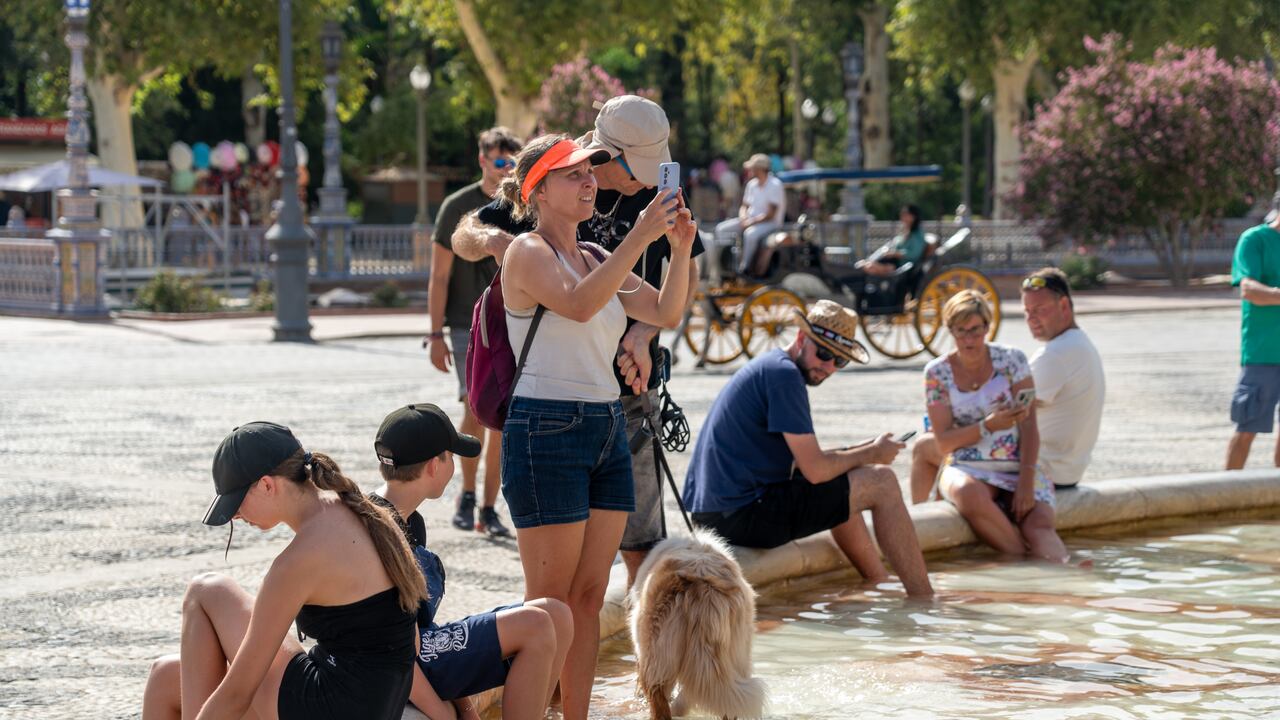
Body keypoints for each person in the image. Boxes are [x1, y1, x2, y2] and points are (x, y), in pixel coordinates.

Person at [452, 96, 705, 589]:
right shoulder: (559, 177)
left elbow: (682, 280)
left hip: (628, 393)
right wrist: (496, 244)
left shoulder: (647, 198)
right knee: (559, 580)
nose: (647, 181)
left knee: (642, 543)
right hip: (553, 404)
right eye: (637, 168)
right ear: (605, 153)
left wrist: (644, 331)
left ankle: (640, 662)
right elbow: (466, 233)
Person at [488, 132, 694, 720]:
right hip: (544, 425)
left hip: (607, 424)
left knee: (585, 597)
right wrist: (641, 235)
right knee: (546, 606)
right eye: (574, 173)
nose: (589, 181)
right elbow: (577, 305)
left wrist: (679, 249)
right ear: (539, 192)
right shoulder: (526, 252)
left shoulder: (599, 257)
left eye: (591, 171)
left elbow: (664, 312)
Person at [141, 422, 425, 720]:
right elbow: (411, 644)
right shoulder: (366, 512)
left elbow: (238, 694)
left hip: (331, 707)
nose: (235, 516)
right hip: (368, 704)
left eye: (236, 502)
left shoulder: (299, 561)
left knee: (206, 590)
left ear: (267, 485)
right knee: (165, 678)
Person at [682, 299, 934, 598]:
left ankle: (878, 582)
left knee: (845, 481)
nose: (828, 367)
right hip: (737, 516)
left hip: (714, 513)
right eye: (824, 353)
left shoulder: (772, 367)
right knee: (882, 481)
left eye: (839, 361)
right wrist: (871, 454)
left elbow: (807, 463)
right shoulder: (785, 376)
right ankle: (924, 598)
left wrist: (862, 451)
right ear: (801, 338)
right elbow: (815, 470)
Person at [370, 404, 572, 720]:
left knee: (556, 613)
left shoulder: (409, 521)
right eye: (451, 456)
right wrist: (441, 712)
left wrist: (467, 709)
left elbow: (422, 625)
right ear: (434, 466)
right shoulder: (377, 533)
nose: (455, 466)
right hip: (393, 666)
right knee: (536, 625)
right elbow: (390, 646)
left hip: (421, 648)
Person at [911, 268, 1105, 501]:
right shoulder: (1079, 344)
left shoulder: (1055, 355)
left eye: (1040, 310)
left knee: (925, 447)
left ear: (1064, 306)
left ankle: (921, 527)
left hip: (1039, 466)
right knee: (950, 451)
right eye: (1027, 311)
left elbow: (1003, 413)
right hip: (1068, 468)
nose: (1031, 319)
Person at [919, 290, 1068, 563]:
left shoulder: (1012, 360)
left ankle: (1067, 575)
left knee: (1038, 524)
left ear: (988, 327)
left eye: (976, 330)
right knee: (968, 493)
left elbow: (1029, 425)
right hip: (966, 465)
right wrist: (988, 426)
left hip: (1017, 463)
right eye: (960, 331)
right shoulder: (937, 373)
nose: (969, 339)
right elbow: (944, 443)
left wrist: (1026, 480)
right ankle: (1028, 569)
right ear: (950, 331)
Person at [424, 127, 524, 537]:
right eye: (499, 162)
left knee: (501, 417)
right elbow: (439, 275)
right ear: (482, 160)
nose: (505, 170)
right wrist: (434, 334)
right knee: (475, 408)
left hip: (510, 319)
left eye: (512, 164)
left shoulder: (523, 205)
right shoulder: (458, 206)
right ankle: (466, 493)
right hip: (468, 322)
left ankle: (488, 505)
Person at [1227, 212, 1280, 470]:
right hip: (1263, 354)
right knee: (1247, 429)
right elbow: (1248, 289)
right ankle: (1224, 498)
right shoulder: (1254, 239)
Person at [711, 153, 785, 279]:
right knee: (721, 229)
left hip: (770, 223)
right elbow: (744, 206)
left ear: (759, 169)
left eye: (752, 168)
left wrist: (750, 222)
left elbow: (771, 214)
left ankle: (744, 269)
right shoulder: (752, 184)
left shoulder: (775, 184)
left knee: (750, 234)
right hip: (750, 220)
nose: (749, 170)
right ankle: (725, 266)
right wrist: (744, 217)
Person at [856, 204, 928, 277]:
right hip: (893, 261)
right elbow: (894, 245)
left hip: (904, 266)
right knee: (862, 265)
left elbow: (914, 254)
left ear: (913, 217)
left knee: (869, 268)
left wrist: (895, 253)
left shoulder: (917, 235)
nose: (902, 217)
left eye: (905, 215)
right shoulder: (904, 231)